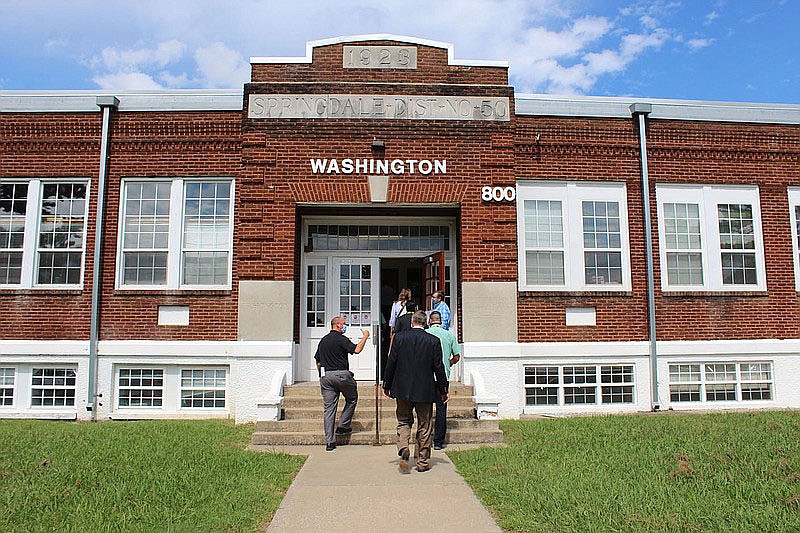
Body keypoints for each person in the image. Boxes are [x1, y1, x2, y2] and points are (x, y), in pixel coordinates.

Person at [383, 310, 448, 473]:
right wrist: (443, 389)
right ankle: (422, 461)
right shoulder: (433, 340)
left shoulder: (399, 338)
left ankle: (404, 447)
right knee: (424, 425)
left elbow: (391, 362)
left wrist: (387, 384)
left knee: (404, 421)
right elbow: (438, 367)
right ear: (425, 323)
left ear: (412, 322)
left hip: (402, 387)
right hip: (425, 389)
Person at [314, 316, 370, 452]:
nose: (345, 326)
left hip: (326, 376)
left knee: (329, 409)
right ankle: (343, 425)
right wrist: (365, 337)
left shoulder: (323, 341)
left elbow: (318, 361)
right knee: (351, 398)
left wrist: (321, 375)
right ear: (337, 325)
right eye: (344, 324)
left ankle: (330, 441)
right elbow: (356, 350)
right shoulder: (341, 339)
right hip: (342, 374)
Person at [426, 310, 461, 450]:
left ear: (430, 321)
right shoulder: (449, 335)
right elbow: (457, 356)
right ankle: (438, 441)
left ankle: (425, 437)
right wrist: (449, 362)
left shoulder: (426, 334)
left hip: (427, 376)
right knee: (441, 409)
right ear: (441, 321)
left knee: (425, 409)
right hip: (443, 377)